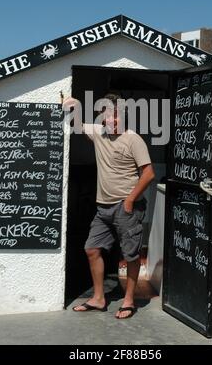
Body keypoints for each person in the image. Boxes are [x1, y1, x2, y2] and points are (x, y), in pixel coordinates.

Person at [63, 92, 155, 319]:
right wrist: (74, 105)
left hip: (127, 207)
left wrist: (130, 200)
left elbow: (149, 173)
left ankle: (129, 300)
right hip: (103, 207)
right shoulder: (98, 132)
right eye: (107, 115)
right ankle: (98, 298)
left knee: (130, 255)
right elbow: (78, 123)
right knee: (92, 249)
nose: (111, 120)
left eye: (115, 115)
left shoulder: (133, 139)